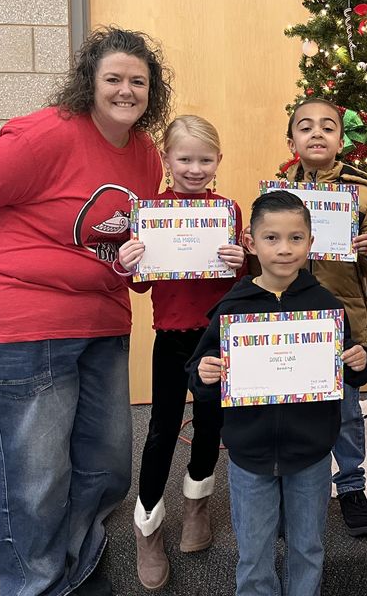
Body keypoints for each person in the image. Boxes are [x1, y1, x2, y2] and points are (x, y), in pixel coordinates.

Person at [0, 27, 173, 596]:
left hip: (99, 322)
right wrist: (3, 270)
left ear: (152, 91)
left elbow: (120, 238)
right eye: (113, 78)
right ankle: (36, 585)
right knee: (32, 480)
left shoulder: (143, 153)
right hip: (17, 326)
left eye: (137, 81)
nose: (125, 90)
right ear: (88, 82)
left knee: (106, 467)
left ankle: (77, 574)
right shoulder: (46, 134)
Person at [187, 191, 367, 596]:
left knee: (308, 548)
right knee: (253, 554)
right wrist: (204, 375)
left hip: (310, 454)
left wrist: (361, 362)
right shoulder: (233, 307)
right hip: (249, 455)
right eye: (271, 239)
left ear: (310, 242)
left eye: (295, 238)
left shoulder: (325, 306)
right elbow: (199, 375)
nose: (284, 249)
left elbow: (349, 368)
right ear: (251, 243)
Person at [114, 115, 246, 589]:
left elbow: (241, 282)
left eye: (204, 160)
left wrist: (242, 261)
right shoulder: (149, 211)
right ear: (167, 160)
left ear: (218, 162)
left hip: (215, 337)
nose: (195, 168)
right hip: (171, 337)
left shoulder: (227, 210)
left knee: (212, 422)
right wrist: (130, 262)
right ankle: (146, 525)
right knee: (161, 429)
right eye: (185, 159)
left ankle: (197, 504)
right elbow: (142, 283)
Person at [283, 98, 367, 536]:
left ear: (341, 138)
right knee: (293, 407)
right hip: (289, 323)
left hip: (344, 323)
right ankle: (292, 488)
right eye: (305, 127)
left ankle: (351, 484)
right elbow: (262, 254)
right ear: (291, 139)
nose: (316, 134)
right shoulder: (276, 193)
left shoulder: (362, 195)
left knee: (347, 412)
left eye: (327, 127)